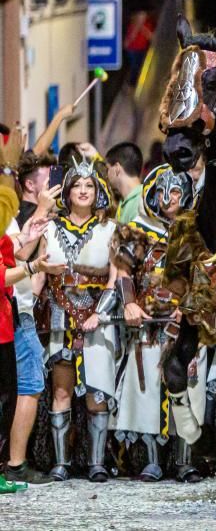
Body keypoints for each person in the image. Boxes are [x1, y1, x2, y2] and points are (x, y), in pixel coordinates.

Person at [110, 165, 197, 482]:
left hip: (184, 325)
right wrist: (130, 302)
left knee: (187, 389)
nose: (167, 198)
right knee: (145, 393)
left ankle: (184, 461)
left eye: (174, 191)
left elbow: (205, 278)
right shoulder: (137, 231)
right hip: (146, 325)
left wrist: (189, 308)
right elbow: (122, 272)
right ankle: (152, 460)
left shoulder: (197, 234)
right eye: (162, 191)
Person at [37, 158, 119, 481]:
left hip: (98, 318)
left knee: (97, 392)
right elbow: (40, 276)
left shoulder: (109, 228)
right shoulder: (51, 228)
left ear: (97, 191)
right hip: (60, 317)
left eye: (89, 185)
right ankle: (62, 462)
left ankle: (97, 462)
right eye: (77, 186)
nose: (83, 191)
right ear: (67, 192)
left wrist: (100, 313)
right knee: (61, 391)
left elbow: (116, 277)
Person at [3, 152, 60, 485]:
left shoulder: (13, 214)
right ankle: (15, 463)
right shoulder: (13, 211)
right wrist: (39, 213)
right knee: (29, 384)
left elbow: (17, 243)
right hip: (15, 309)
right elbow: (16, 255)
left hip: (17, 308)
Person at [105, 142, 144, 225]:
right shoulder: (125, 200)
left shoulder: (141, 201)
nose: (106, 175)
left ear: (117, 168)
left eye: (107, 169)